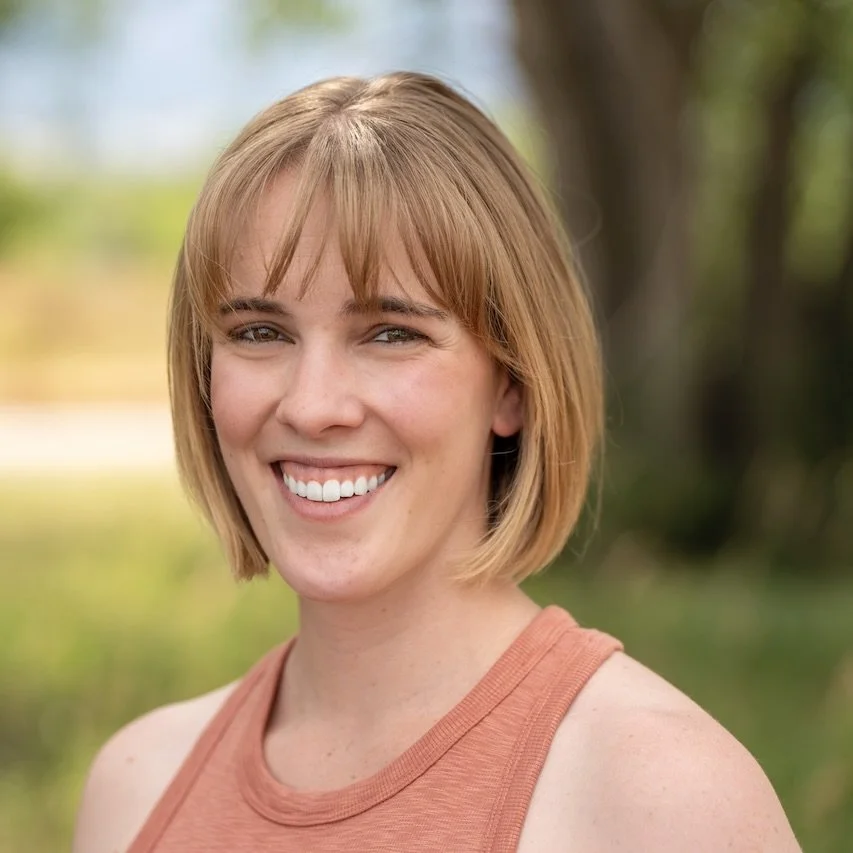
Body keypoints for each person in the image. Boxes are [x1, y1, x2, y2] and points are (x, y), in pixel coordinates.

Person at [72, 72, 801, 852]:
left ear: (513, 384)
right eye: (259, 331)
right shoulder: (136, 786)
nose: (313, 405)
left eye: (390, 332)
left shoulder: (662, 799)